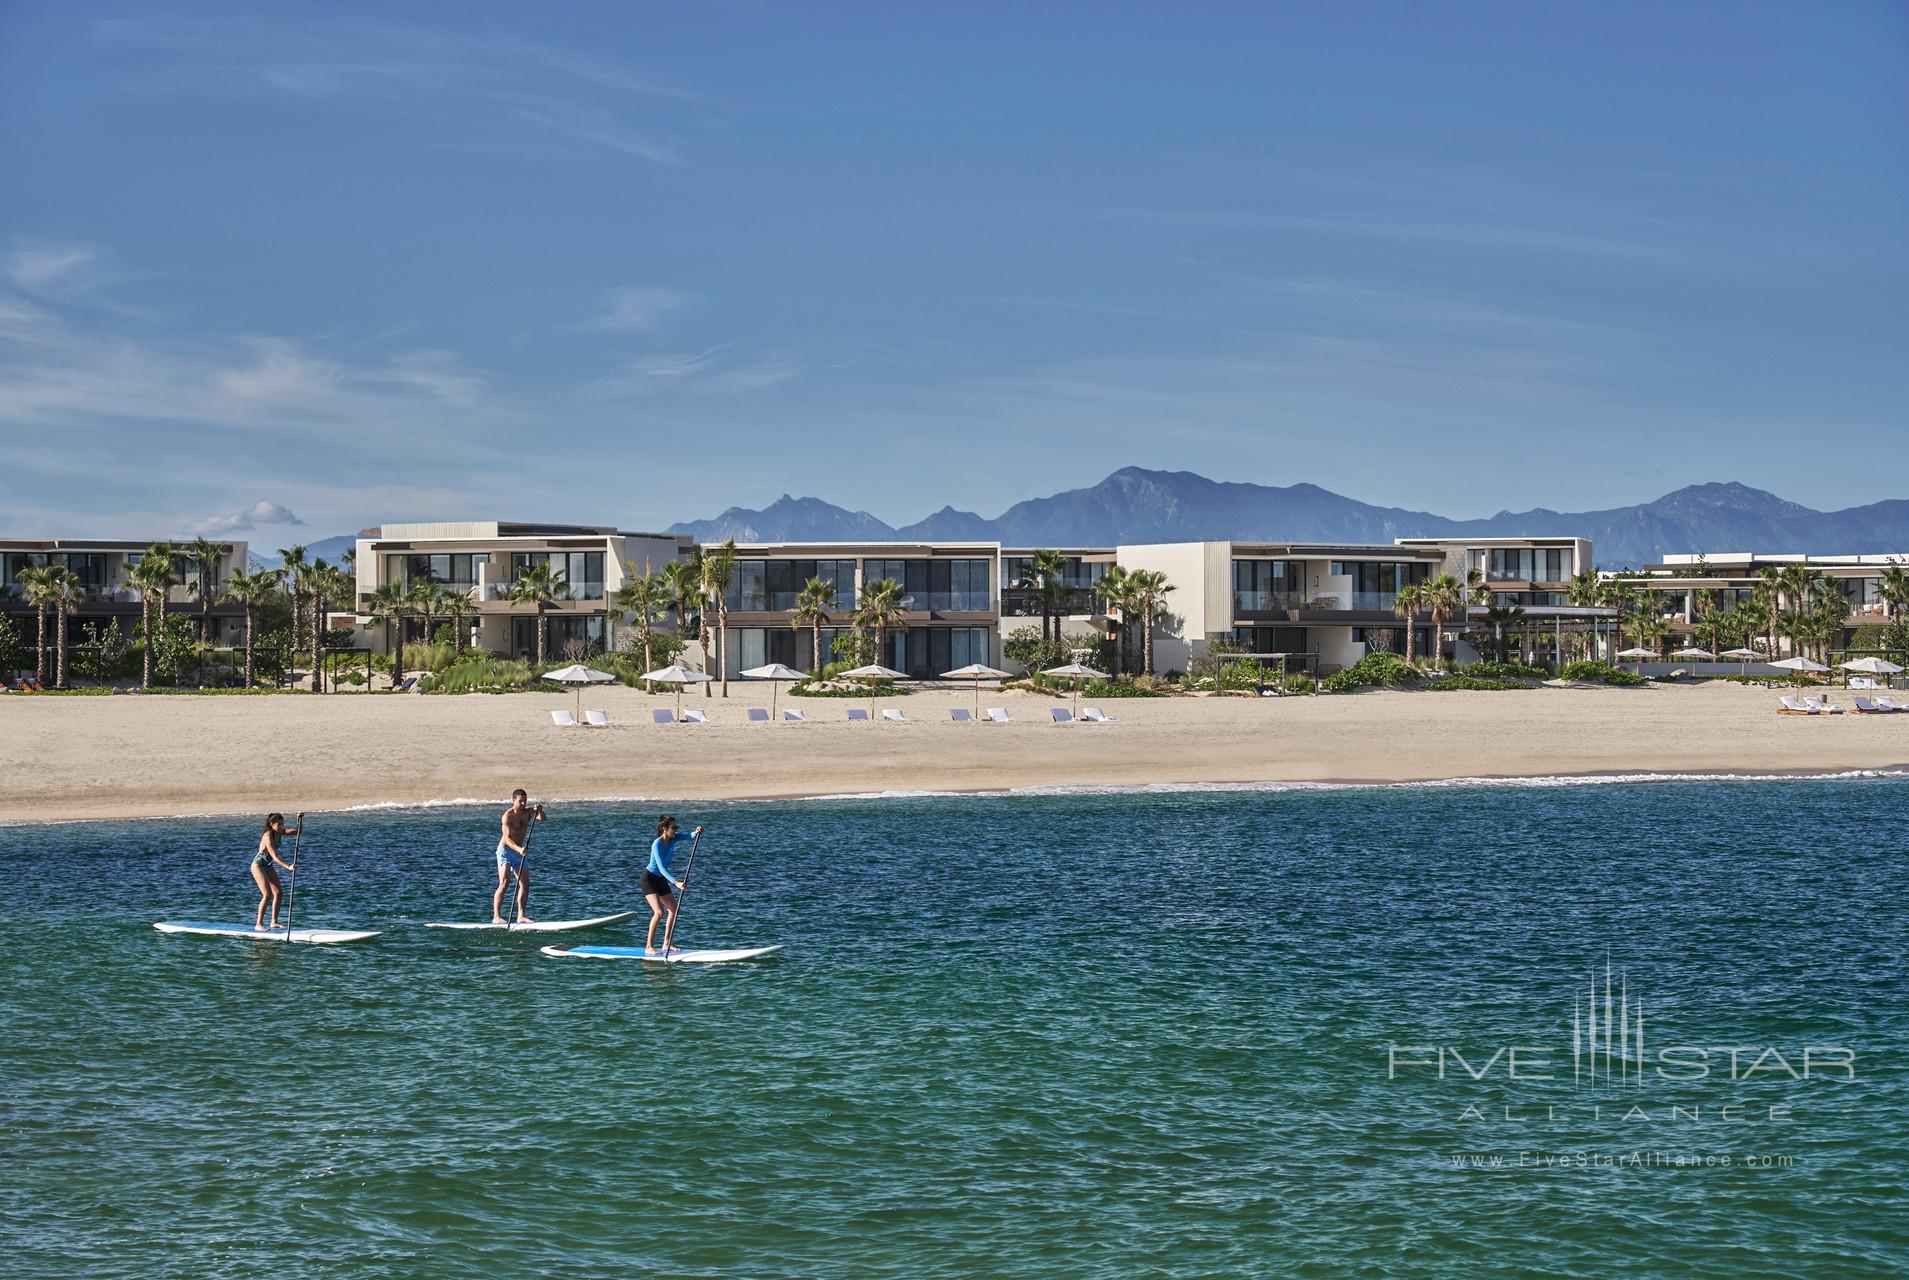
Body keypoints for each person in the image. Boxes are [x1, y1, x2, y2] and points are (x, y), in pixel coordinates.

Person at [643, 815, 701, 955]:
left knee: (673, 910)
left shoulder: (673, 838)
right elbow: (661, 867)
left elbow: (689, 836)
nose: (676, 830)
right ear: (665, 828)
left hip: (661, 879)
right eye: (673, 827)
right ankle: (649, 946)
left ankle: (666, 943)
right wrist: (676, 883)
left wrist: (697, 832)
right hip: (649, 879)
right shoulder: (656, 844)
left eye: (677, 827)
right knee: (659, 912)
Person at [492, 790, 546, 925]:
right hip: (506, 851)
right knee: (504, 883)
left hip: (519, 852)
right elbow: (506, 839)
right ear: (513, 800)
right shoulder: (507, 816)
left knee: (525, 883)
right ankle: (497, 916)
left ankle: (521, 915)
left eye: (525, 801)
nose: (523, 803)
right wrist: (520, 849)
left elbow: (543, 819)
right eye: (520, 801)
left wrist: (540, 811)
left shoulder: (527, 813)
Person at [252, 812, 303, 930]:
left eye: (282, 824)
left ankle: (273, 921)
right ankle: (258, 924)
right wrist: (288, 866)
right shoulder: (267, 836)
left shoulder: (280, 832)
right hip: (258, 865)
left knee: (279, 893)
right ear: (271, 824)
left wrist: (299, 820)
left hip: (268, 866)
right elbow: (274, 857)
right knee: (267, 895)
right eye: (279, 824)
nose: (281, 826)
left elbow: (299, 831)